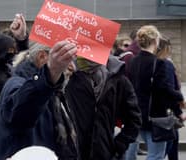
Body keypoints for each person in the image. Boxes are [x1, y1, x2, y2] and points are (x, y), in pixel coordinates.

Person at [0, 41, 78, 160]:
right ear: (42, 57)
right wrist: (51, 72)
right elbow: (22, 112)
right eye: (66, 60)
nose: (73, 67)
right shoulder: (16, 85)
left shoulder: (54, 90)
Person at [64, 55, 142, 160]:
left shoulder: (117, 79)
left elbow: (134, 119)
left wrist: (119, 145)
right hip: (74, 154)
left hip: (107, 153)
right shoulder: (67, 75)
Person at [128, 25, 184, 160]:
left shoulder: (133, 61)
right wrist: (180, 98)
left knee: (138, 151)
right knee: (156, 155)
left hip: (137, 114)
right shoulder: (159, 63)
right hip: (156, 116)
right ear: (155, 41)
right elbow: (164, 89)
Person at [156, 36, 185, 160]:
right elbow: (169, 89)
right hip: (167, 112)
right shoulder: (165, 64)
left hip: (154, 111)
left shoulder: (150, 62)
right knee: (169, 145)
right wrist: (179, 111)